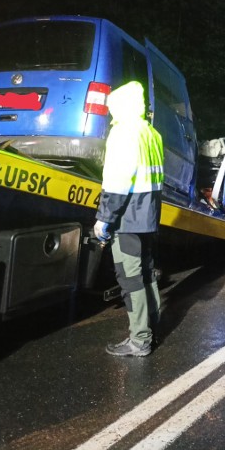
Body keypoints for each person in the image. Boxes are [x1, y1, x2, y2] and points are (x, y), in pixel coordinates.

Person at [94, 81, 165, 357]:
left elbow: (118, 181)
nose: (111, 115)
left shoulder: (124, 133)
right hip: (147, 215)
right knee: (146, 273)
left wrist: (104, 218)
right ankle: (151, 326)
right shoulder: (151, 133)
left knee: (130, 277)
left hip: (128, 217)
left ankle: (140, 339)